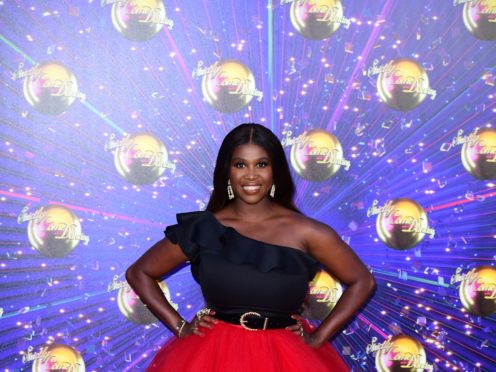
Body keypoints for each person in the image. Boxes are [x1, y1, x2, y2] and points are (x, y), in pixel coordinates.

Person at [126, 123, 376, 371]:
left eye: (262, 164)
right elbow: (139, 273)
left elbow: (362, 281)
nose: (251, 175)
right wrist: (180, 326)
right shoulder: (203, 229)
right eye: (240, 165)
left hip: (288, 358)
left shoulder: (307, 232)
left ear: (275, 170)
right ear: (227, 171)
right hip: (211, 356)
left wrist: (319, 337)